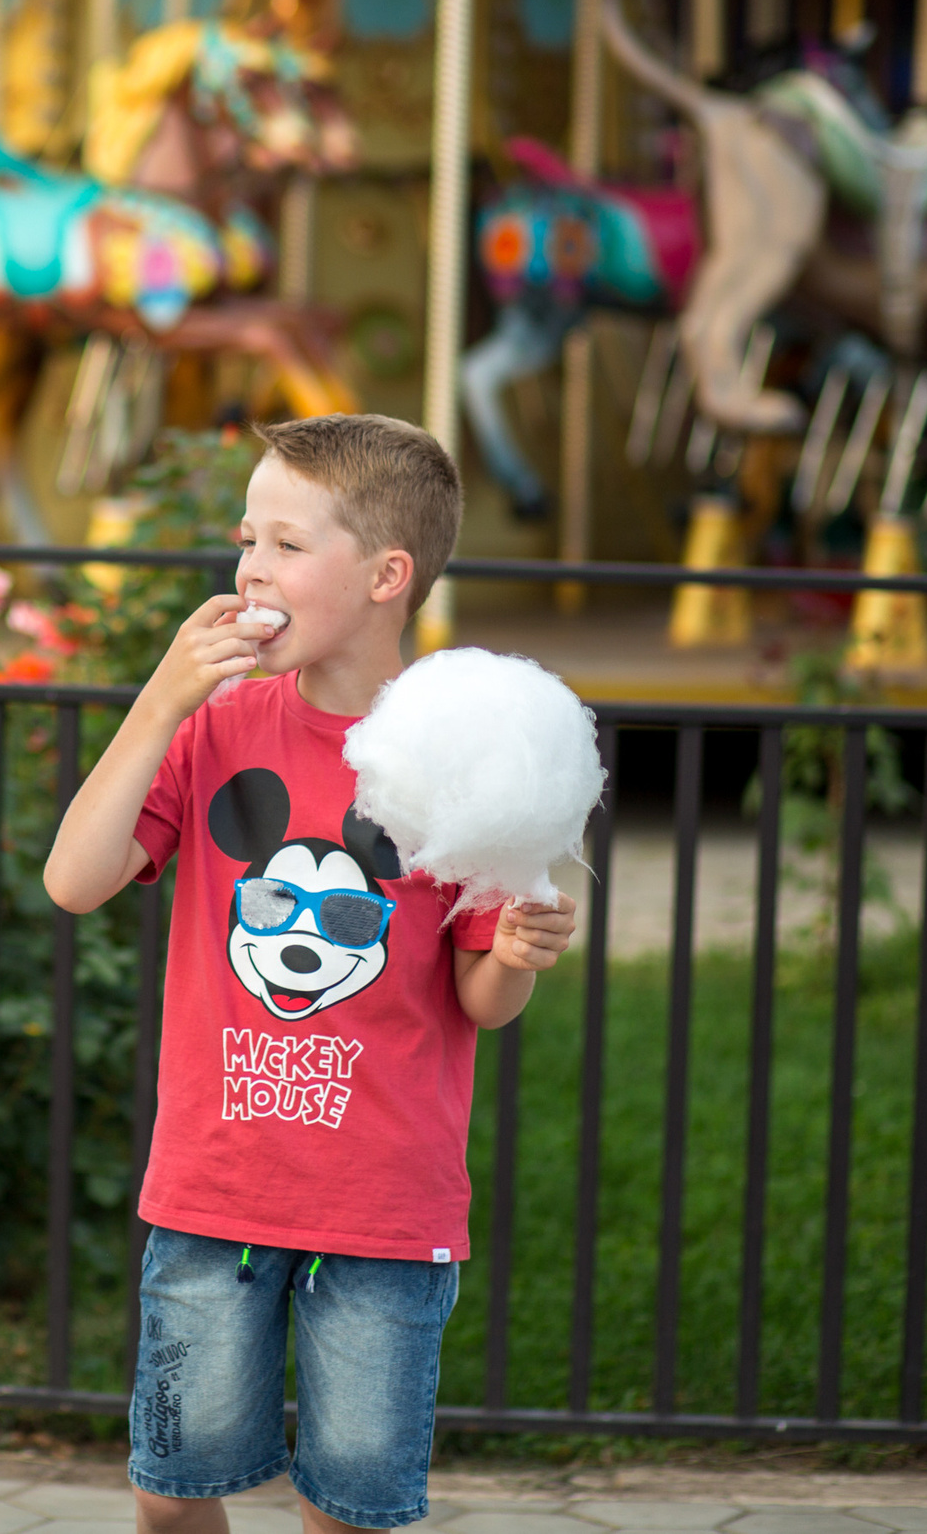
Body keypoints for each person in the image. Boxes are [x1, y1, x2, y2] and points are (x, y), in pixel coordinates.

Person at [43, 414, 580, 1534]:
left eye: (287, 545)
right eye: (248, 539)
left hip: (382, 1209)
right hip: (212, 1190)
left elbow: (479, 997)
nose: (250, 568)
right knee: (169, 1493)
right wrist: (160, 702)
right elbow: (74, 880)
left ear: (388, 575)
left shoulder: (460, 758)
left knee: (346, 1511)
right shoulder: (216, 726)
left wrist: (520, 954)